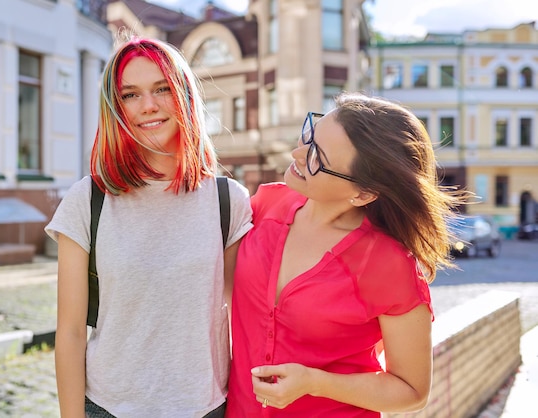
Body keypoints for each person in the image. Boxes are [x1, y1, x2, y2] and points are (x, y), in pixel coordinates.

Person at [45, 34, 252, 418]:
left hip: (206, 408)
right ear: (115, 107)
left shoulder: (229, 201)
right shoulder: (88, 199)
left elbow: (244, 320)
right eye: (131, 95)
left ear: (184, 96)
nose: (149, 106)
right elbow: (71, 332)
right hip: (108, 408)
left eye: (162, 89)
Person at [226, 92, 468, 417]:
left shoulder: (389, 265)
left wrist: (314, 382)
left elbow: (412, 390)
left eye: (317, 157)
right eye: (309, 135)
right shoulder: (265, 205)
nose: (297, 154)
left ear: (363, 193)